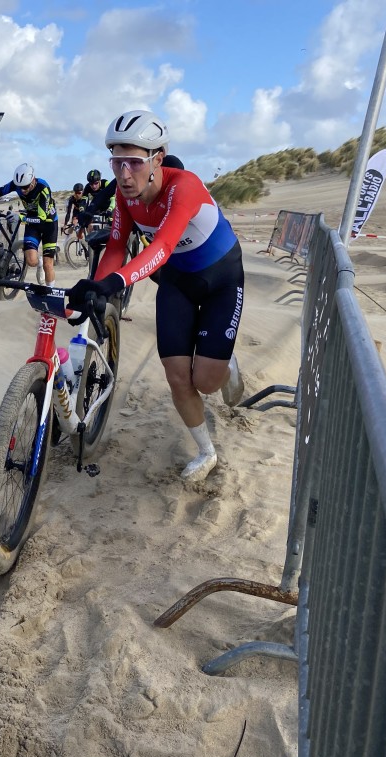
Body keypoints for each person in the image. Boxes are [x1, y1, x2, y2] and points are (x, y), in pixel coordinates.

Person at [67, 109, 245, 483]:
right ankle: (207, 451)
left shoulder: (185, 186)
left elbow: (162, 247)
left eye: (133, 162)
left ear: (157, 159)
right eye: (116, 162)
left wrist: (112, 284)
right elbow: (117, 246)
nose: (123, 174)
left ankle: (226, 364)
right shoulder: (124, 195)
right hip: (178, 282)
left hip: (221, 279)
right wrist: (97, 287)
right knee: (179, 377)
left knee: (207, 381)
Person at [0, 163, 60, 286]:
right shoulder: (17, 185)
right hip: (31, 222)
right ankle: (38, 262)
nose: (23, 190)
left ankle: (50, 291)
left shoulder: (43, 188)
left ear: (33, 180)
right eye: (20, 187)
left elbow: (42, 218)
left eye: (26, 186)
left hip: (48, 224)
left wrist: (20, 217)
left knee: (48, 264)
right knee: (31, 261)